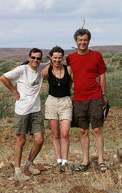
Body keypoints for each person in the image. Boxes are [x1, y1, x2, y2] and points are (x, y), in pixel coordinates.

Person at [0, 48, 48, 183]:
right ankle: (17, 171)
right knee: (21, 141)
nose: (35, 60)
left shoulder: (41, 67)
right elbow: (3, 78)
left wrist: (47, 66)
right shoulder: (22, 70)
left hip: (36, 109)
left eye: (38, 58)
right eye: (33, 58)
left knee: (39, 140)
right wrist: (14, 91)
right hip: (22, 110)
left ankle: (29, 164)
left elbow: (54, 61)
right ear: (29, 57)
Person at [66, 28, 108, 173]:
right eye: (80, 40)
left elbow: (102, 75)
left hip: (95, 97)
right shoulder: (70, 58)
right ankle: (85, 160)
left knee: (97, 129)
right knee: (83, 130)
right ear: (76, 41)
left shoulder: (96, 55)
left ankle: (101, 160)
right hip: (78, 99)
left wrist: (103, 94)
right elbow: (69, 76)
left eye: (85, 40)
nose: (82, 42)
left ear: (88, 41)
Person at [41, 46, 73, 174]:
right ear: (51, 57)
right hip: (52, 102)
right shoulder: (47, 69)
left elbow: (74, 82)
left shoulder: (68, 69)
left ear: (63, 58)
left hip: (65, 101)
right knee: (55, 134)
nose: (57, 60)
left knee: (64, 134)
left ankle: (65, 162)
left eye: (60, 57)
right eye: (55, 57)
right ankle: (58, 161)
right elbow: (39, 74)